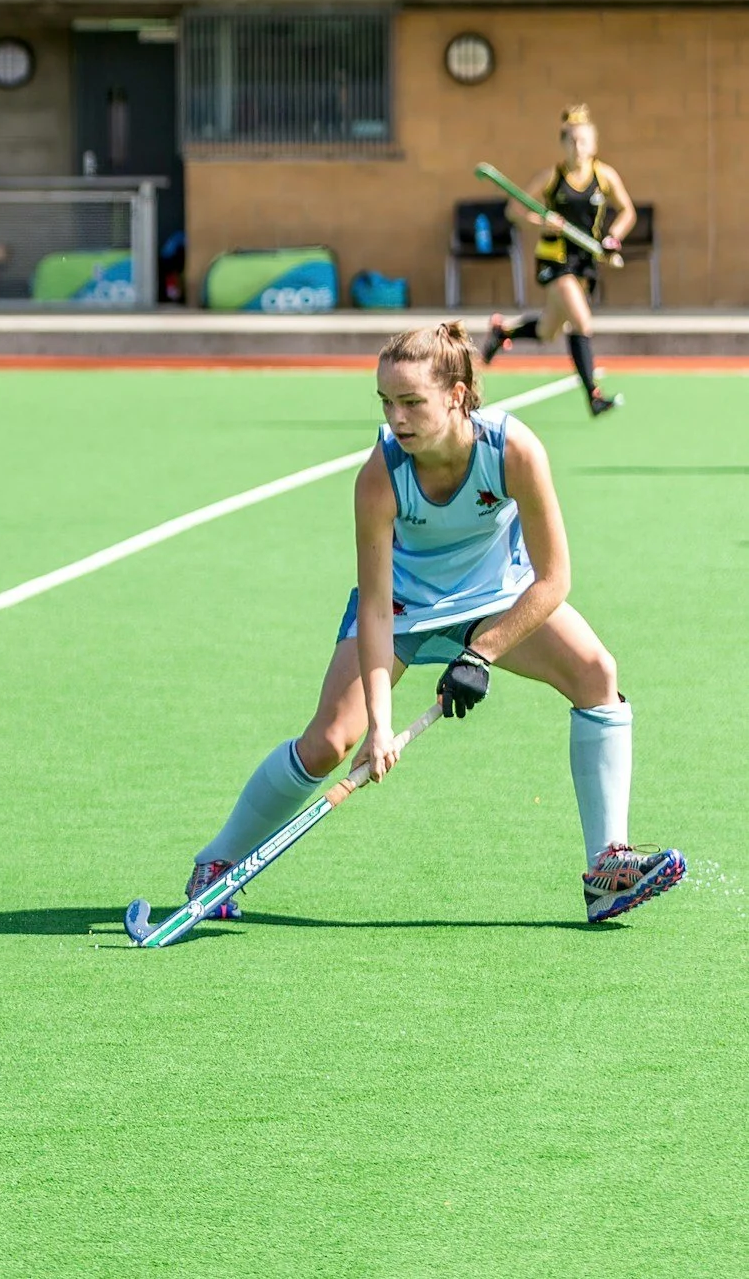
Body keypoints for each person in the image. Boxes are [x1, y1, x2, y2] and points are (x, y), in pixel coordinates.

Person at [179, 323, 682, 928]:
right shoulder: (380, 476)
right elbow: (372, 604)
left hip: (496, 599)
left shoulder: (512, 450)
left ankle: (608, 867)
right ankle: (217, 862)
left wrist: (483, 654)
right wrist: (380, 727)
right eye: (387, 402)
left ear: (459, 395)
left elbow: (554, 580)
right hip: (402, 612)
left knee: (597, 673)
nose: (397, 418)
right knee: (328, 743)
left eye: (412, 401)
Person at [481, 104, 634, 418]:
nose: (577, 147)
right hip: (554, 260)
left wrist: (613, 237)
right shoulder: (552, 176)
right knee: (581, 322)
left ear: (593, 144)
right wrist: (542, 223)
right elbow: (515, 210)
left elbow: (627, 212)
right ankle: (593, 396)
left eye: (583, 141)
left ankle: (503, 333)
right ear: (563, 143)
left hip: (584, 260)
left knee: (548, 331)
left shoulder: (604, 176)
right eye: (571, 141)